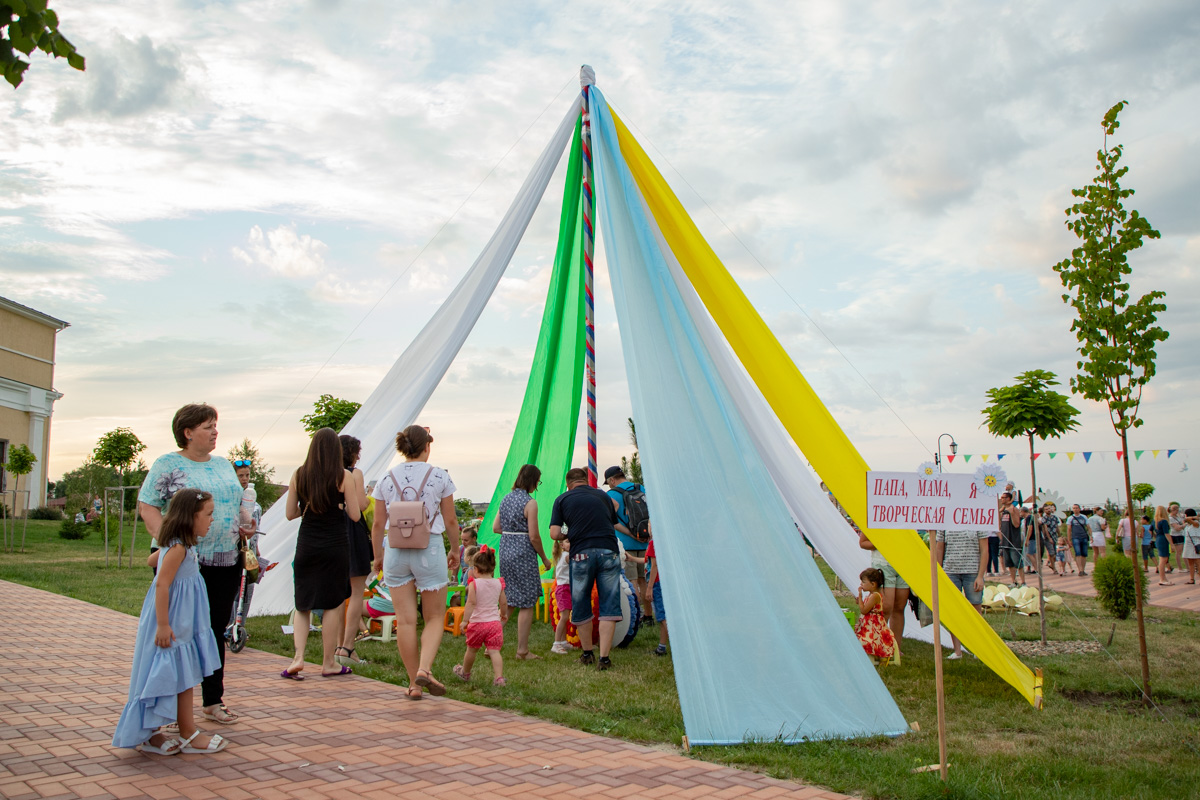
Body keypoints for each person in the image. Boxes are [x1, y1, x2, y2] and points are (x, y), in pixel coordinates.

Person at [137, 403, 245, 725]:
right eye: (208, 427)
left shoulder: (224, 465)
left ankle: (213, 700)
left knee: (213, 631)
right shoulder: (168, 464)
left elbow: (236, 504)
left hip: (226, 560)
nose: (215, 432)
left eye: (215, 426)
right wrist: (172, 543)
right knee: (178, 632)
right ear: (188, 432)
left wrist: (244, 523)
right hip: (184, 565)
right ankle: (168, 709)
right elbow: (147, 506)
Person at [113, 490, 226, 755]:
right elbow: (162, 583)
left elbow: (151, 560)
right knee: (175, 673)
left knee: (178, 673)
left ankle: (159, 733)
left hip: (182, 621)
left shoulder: (179, 546)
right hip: (172, 621)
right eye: (208, 514)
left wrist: (163, 552)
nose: (212, 520)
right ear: (191, 517)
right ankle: (185, 733)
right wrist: (163, 625)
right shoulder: (178, 548)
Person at [370, 425, 461, 699]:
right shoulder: (440, 476)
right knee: (433, 617)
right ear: (427, 447)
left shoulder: (386, 478)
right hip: (428, 549)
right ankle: (425, 668)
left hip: (396, 551)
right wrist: (455, 549)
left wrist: (378, 556)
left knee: (406, 621)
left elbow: (378, 524)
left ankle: (413, 684)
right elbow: (451, 520)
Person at [283, 429, 359, 679]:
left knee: (302, 603)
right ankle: (329, 662)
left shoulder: (299, 474)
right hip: (335, 546)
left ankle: (298, 657)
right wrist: (340, 504)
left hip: (307, 544)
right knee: (332, 604)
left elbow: (290, 513)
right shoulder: (343, 476)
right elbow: (355, 515)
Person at [549, 467, 627, 670]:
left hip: (581, 553)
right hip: (608, 551)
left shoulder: (562, 499)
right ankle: (604, 658)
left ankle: (587, 654)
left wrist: (570, 533)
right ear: (586, 480)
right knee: (609, 605)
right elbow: (613, 516)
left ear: (569, 485)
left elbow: (554, 533)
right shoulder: (603, 496)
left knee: (581, 604)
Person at [494, 464, 553, 660]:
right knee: (527, 602)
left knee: (510, 599)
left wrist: (511, 534)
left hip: (505, 551)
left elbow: (496, 527)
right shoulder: (530, 503)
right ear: (533, 481)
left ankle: (490, 643)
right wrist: (544, 558)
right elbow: (534, 536)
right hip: (523, 555)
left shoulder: (506, 499)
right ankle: (522, 650)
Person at [336, 435, 372, 668]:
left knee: (339, 594)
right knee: (357, 592)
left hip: (335, 530)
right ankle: (348, 647)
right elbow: (360, 504)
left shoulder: (330, 473)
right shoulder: (354, 473)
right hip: (353, 530)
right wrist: (367, 496)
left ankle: (338, 645)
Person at [227, 461, 273, 634]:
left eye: (247, 475)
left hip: (250, 551)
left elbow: (256, 529)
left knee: (248, 586)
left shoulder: (256, 505)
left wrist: (257, 549)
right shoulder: (231, 501)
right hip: (233, 550)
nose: (245, 479)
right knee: (233, 588)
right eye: (241, 476)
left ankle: (240, 625)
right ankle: (229, 624)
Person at [452, 547, 508, 686]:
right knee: (494, 652)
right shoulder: (498, 583)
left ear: (475, 569)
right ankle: (499, 678)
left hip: (477, 623)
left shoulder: (474, 584)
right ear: (493, 568)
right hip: (494, 624)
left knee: (471, 650)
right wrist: (503, 614)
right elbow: (503, 602)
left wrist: (465, 620)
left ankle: (465, 673)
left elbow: (471, 603)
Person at [604, 466, 653, 619]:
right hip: (645, 542)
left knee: (632, 582)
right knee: (644, 580)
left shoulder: (611, 495)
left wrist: (631, 534)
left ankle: (635, 616)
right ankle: (648, 616)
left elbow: (612, 522)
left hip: (626, 545)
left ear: (612, 480)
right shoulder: (641, 488)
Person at [935, 527, 988, 659]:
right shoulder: (945, 523)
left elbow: (984, 549)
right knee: (953, 611)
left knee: (975, 609)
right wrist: (938, 572)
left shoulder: (977, 520)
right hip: (950, 571)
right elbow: (939, 547)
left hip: (972, 571)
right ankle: (957, 650)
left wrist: (980, 576)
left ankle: (979, 648)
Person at [856, 528, 909, 660]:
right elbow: (863, 542)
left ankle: (895, 648)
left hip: (904, 563)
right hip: (883, 564)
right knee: (885, 608)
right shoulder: (875, 518)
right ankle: (878, 647)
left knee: (899, 607)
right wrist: (884, 543)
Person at [853, 568, 896, 663]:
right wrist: (860, 601)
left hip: (872, 625)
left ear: (873, 584)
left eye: (863, 582)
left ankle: (872, 657)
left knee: (868, 640)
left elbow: (864, 610)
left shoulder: (875, 596)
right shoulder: (871, 595)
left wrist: (860, 596)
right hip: (868, 623)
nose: (861, 584)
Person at [643, 524, 668, 656]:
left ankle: (678, 643)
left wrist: (649, 587)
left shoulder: (654, 543)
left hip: (656, 583)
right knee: (664, 615)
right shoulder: (665, 542)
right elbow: (647, 561)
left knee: (662, 616)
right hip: (663, 582)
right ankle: (661, 647)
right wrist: (631, 558)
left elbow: (654, 566)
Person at [549, 538, 572, 654]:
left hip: (565, 588)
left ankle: (563, 641)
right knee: (564, 617)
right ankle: (556, 643)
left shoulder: (563, 555)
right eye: (568, 541)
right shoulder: (567, 556)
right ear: (562, 545)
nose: (571, 543)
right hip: (564, 589)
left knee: (565, 616)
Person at [998, 492, 1024, 587]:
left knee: (1017, 563)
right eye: (1001, 497)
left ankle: (1023, 582)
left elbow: (1016, 524)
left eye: (1004, 497)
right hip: (1005, 541)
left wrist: (1012, 513)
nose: (1002, 499)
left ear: (1009, 499)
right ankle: (1014, 581)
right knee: (1009, 563)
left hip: (1014, 540)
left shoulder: (1014, 509)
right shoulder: (1003, 510)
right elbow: (1000, 525)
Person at [1066, 504, 1091, 576]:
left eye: (1076, 508)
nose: (1075, 509)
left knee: (1084, 554)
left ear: (1079, 509)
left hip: (1083, 536)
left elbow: (1088, 527)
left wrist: (1091, 536)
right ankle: (1080, 570)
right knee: (1078, 553)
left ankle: (1083, 569)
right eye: (1074, 508)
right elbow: (1069, 529)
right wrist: (1069, 539)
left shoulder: (1084, 517)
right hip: (1075, 537)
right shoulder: (1070, 518)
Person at [1154, 505, 1173, 586]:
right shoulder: (1164, 521)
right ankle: (1162, 579)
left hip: (1158, 538)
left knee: (1162, 559)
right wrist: (1172, 544)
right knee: (1163, 559)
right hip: (1163, 539)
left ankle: (1164, 578)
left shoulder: (1155, 521)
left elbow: (1151, 530)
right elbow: (1166, 533)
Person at [1181, 509, 1200, 585]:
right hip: (1188, 544)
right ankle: (1192, 579)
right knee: (1190, 562)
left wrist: (1193, 518)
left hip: (1195, 544)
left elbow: (1187, 519)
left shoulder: (1196, 523)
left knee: (1198, 562)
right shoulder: (1187, 525)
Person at [1168, 503, 1187, 572]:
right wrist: (1183, 525)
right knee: (1178, 552)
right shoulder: (1171, 518)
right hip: (1176, 535)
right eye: (1177, 510)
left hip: (1181, 534)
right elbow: (1177, 528)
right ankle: (1180, 568)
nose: (1177, 512)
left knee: (1182, 551)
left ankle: (1186, 567)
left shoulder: (1178, 517)